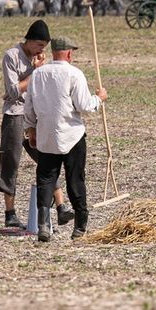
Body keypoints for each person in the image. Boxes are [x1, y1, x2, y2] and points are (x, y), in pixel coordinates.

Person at [24, 36, 107, 242]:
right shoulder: (74, 73)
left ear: (53, 52)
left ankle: (43, 225)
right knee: (75, 179)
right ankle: (80, 226)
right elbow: (85, 106)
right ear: (69, 53)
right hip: (72, 135)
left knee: (45, 179)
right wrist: (100, 98)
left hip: (46, 135)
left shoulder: (38, 74)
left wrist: (31, 129)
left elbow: (29, 106)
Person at [0, 20, 69, 229]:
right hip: (15, 114)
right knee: (10, 162)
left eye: (44, 46)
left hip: (35, 115)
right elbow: (14, 91)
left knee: (46, 158)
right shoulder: (11, 56)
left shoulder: (40, 59)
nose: (41, 49)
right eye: (38, 45)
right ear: (28, 41)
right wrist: (35, 72)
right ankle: (10, 213)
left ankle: (61, 206)